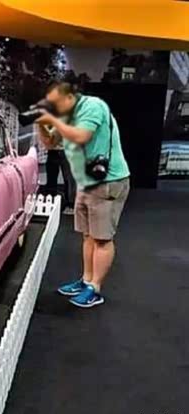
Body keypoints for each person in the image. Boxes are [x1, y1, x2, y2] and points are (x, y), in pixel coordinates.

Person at [36, 81, 131, 309]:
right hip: (87, 182)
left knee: (102, 238)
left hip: (108, 181)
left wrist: (54, 121)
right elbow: (50, 144)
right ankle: (86, 280)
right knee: (88, 235)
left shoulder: (93, 106)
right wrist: (41, 125)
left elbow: (81, 136)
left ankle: (95, 288)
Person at [42, 128, 76, 214]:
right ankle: (51, 203)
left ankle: (71, 204)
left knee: (68, 178)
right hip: (53, 150)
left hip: (66, 149)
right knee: (51, 178)